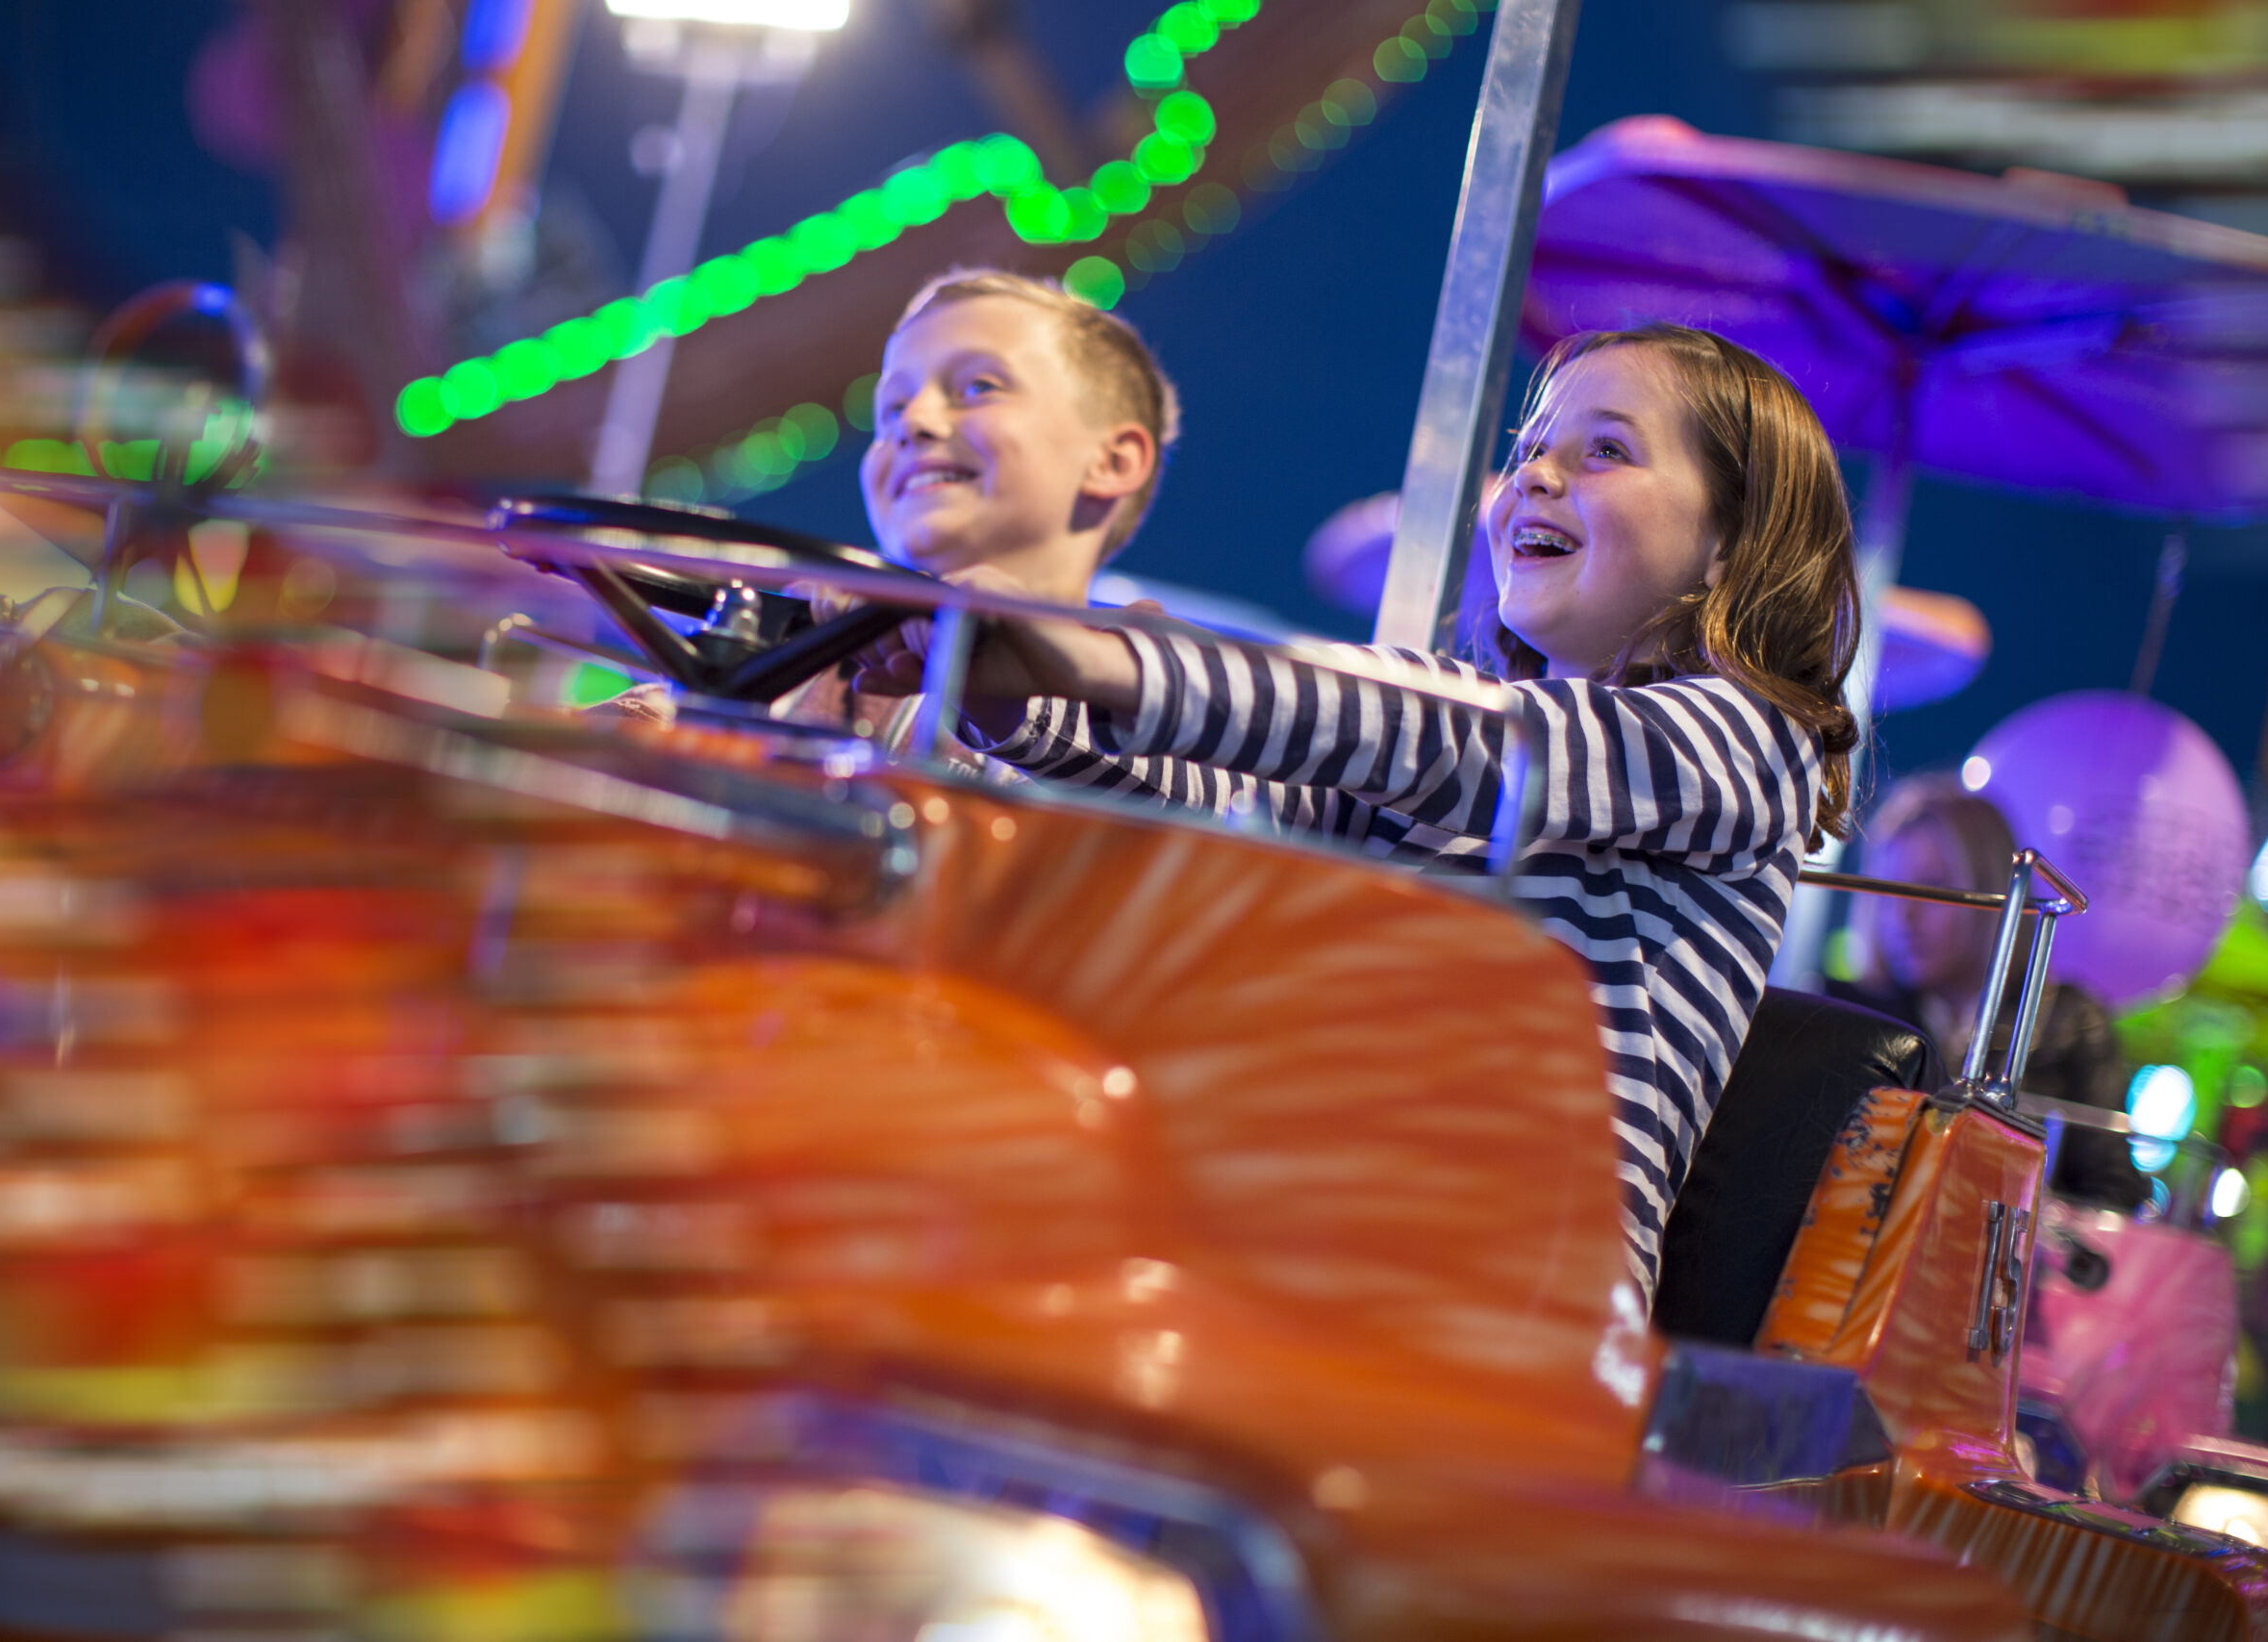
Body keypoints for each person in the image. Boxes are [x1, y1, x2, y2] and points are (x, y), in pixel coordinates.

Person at [848, 321, 1862, 1304]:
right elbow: (1220, 800)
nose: (1539, 476)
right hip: (1297, 1228)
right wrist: (1024, 706)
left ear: (1730, 542)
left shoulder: (1746, 745)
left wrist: (1120, 663)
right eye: (1530, 449)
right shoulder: (1430, 752)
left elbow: (1475, 745)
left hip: (1512, 1286)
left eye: (1606, 451)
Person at [788, 268, 1181, 767]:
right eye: (890, 410)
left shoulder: (1152, 696)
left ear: (1112, 462)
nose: (912, 423)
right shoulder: (791, 666)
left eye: (978, 387)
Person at [1828, 775, 2148, 1210]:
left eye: (1931, 888)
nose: (1903, 914)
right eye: (1891, 890)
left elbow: (2112, 1192)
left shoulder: (2071, 1020)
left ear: (1993, 890)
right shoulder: (1852, 1013)